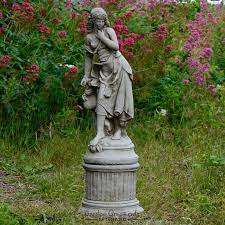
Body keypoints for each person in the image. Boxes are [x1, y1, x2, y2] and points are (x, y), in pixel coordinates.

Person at [81, 7, 134, 150]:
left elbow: (116, 47)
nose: (100, 23)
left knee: (119, 102)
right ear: (92, 20)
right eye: (97, 20)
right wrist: (86, 76)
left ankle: (118, 130)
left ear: (105, 20)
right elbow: (88, 58)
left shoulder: (109, 31)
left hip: (120, 69)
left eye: (102, 20)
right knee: (102, 102)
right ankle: (100, 133)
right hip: (104, 72)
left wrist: (102, 37)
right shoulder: (89, 38)